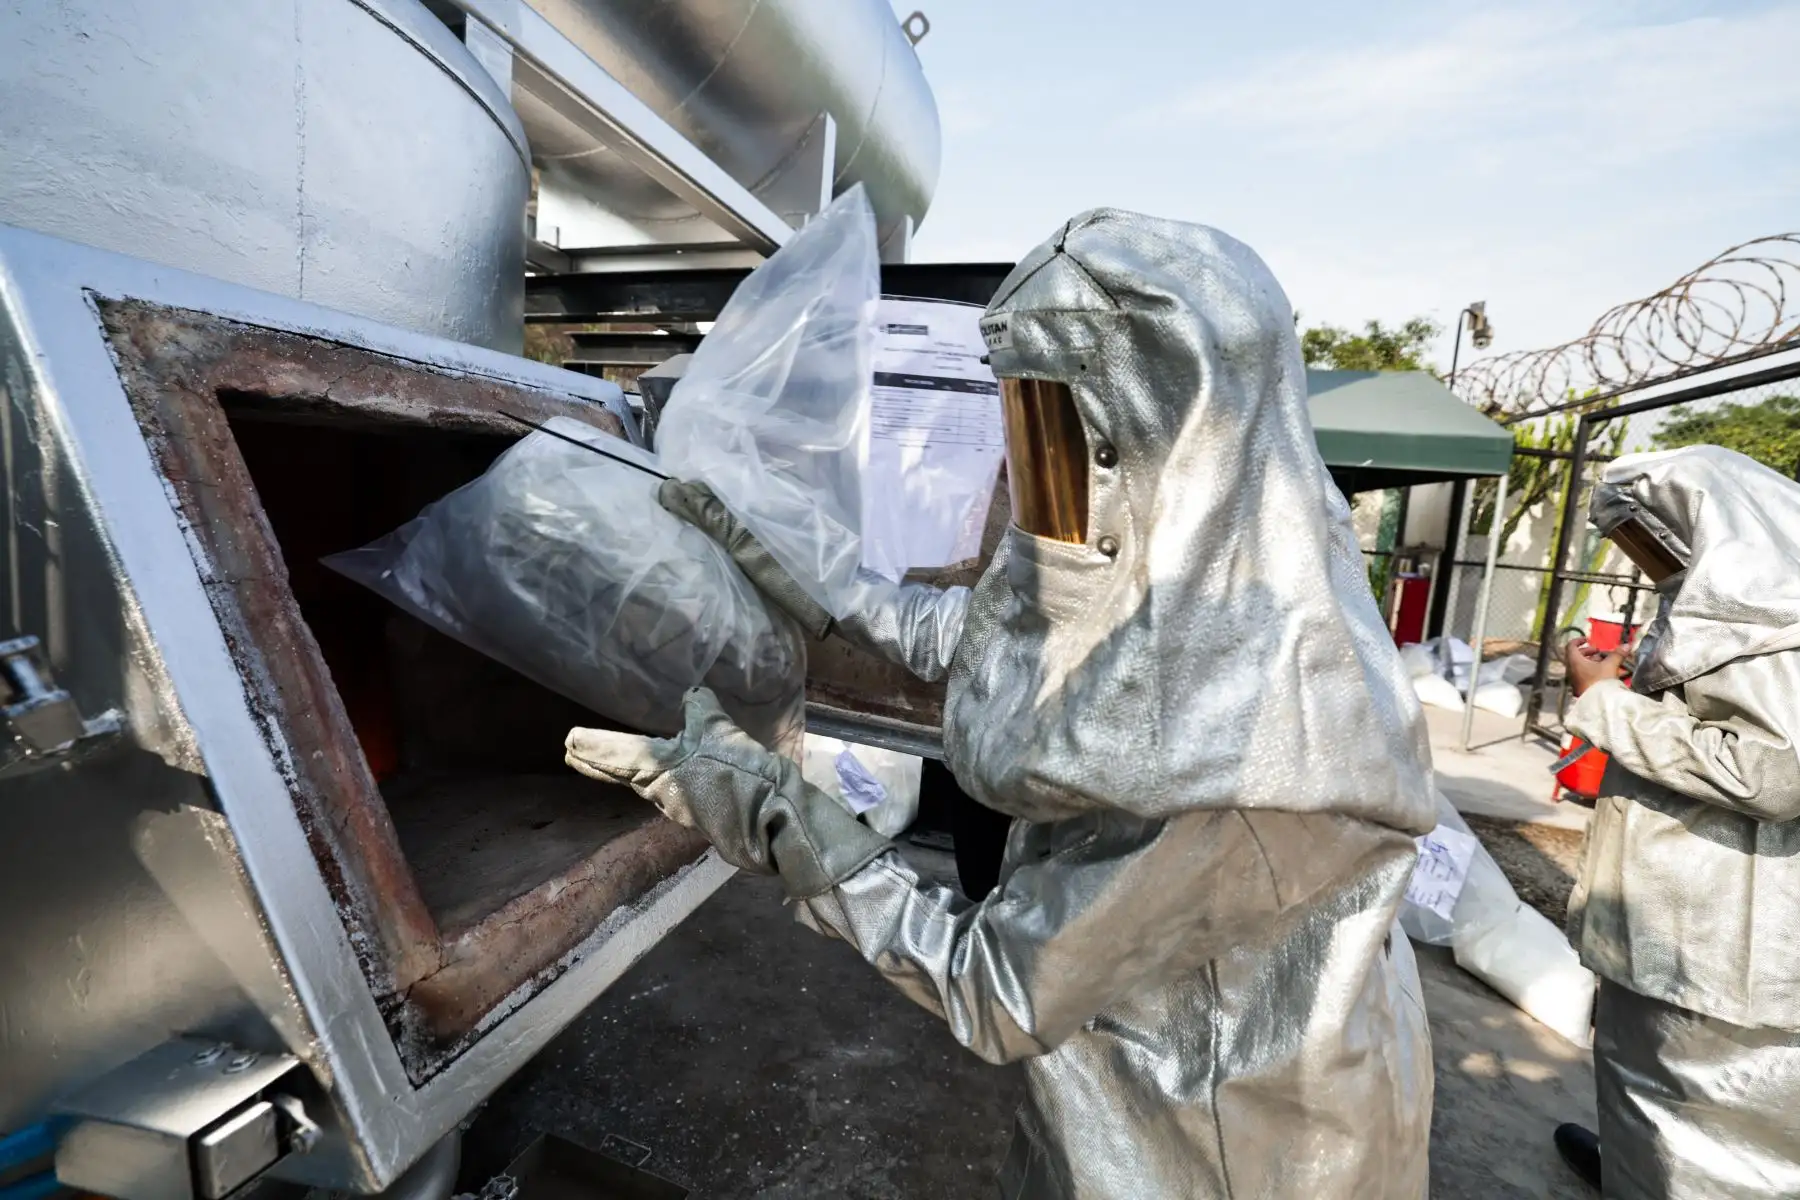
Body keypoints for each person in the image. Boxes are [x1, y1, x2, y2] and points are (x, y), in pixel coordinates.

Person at [565, 209, 1438, 1199]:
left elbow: (1003, 987)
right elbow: (990, 644)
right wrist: (789, 560)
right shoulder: (1181, 573)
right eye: (1019, 419)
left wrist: (785, 824)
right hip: (1116, 1072)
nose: (1029, 468)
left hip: (1233, 1140)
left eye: (1049, 424)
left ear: (1138, 436)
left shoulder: (1265, 751)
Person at [1554, 445, 1800, 1199]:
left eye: (1646, 534)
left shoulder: (1773, 625)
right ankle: (1633, 1166)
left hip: (1716, 929)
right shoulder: (1726, 611)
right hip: (1682, 910)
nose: (1641, 555)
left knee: (1701, 1109)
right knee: (1649, 1086)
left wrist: (1605, 700)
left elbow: (1772, 773)